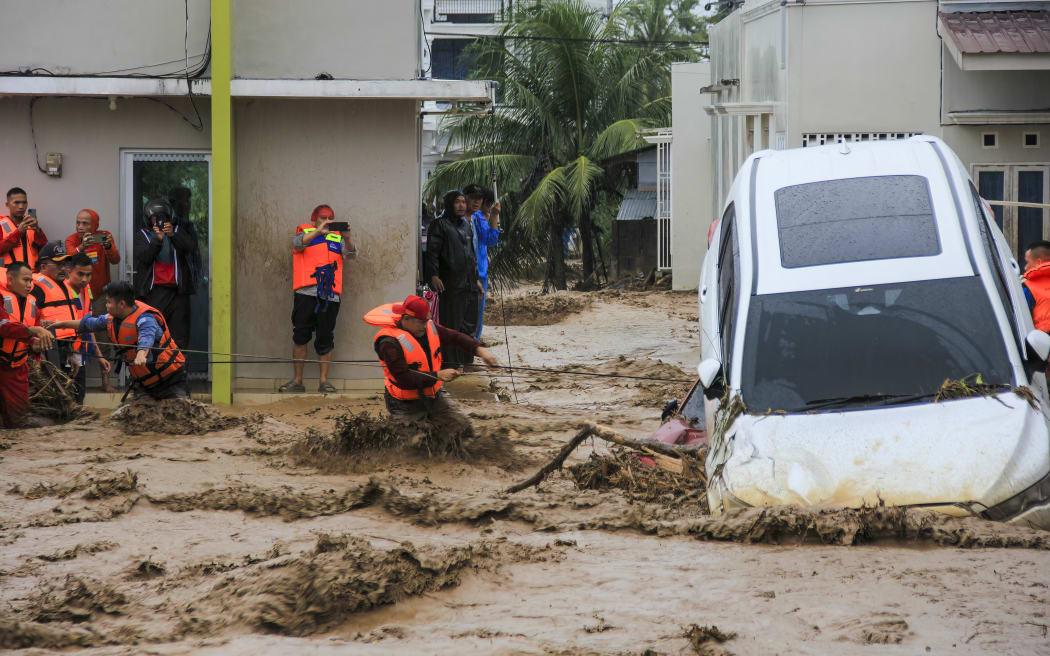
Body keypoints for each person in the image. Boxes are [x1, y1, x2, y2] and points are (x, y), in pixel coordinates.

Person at [364, 294, 498, 433]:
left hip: (434, 396)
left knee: (463, 428)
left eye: (427, 321)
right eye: (421, 322)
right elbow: (404, 378)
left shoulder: (428, 327)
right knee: (417, 442)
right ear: (406, 319)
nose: (425, 325)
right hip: (403, 403)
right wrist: (437, 375)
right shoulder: (389, 343)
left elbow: (454, 337)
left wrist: (481, 351)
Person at [48, 281, 188, 400]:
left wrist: (141, 354)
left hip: (171, 381)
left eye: (108, 302)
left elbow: (147, 337)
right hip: (146, 385)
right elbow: (86, 324)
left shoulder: (146, 319)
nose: (106, 305)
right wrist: (59, 324)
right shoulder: (110, 319)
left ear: (121, 304)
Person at [280, 204, 358, 394]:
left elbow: (351, 255)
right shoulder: (305, 233)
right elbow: (296, 245)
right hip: (305, 294)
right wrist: (317, 231)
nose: (327, 221)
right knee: (300, 335)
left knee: (325, 337)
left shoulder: (336, 238)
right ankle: (297, 381)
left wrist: (347, 239)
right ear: (314, 219)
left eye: (330, 218)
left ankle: (324, 381)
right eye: (322, 218)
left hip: (329, 296)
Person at [134, 198, 199, 352]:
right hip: (154, 293)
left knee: (180, 337)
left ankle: (179, 373)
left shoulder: (176, 232)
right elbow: (145, 257)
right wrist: (158, 240)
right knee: (154, 334)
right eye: (156, 218)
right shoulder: (142, 235)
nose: (160, 221)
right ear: (148, 219)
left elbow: (191, 247)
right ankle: (155, 373)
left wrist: (173, 235)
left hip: (178, 293)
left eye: (163, 217)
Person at [66, 210, 120, 391]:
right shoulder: (72, 240)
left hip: (100, 297)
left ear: (95, 225)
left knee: (104, 338)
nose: (80, 227)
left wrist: (108, 246)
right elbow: (68, 259)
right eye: (78, 223)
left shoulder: (104, 237)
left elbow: (115, 259)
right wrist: (82, 247)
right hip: (76, 295)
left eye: (85, 223)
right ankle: (73, 383)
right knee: (74, 337)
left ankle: (106, 381)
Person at [425, 190, 479, 366]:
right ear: (449, 204)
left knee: (469, 326)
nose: (462, 205)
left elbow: (471, 255)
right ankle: (451, 364)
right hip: (451, 283)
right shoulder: (439, 225)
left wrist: (476, 279)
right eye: (457, 202)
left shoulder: (466, 225)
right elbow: (432, 252)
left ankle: (467, 362)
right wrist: (433, 275)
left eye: (464, 201)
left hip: (469, 284)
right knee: (451, 326)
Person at [0, 262, 54, 427]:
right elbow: (3, 327)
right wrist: (33, 330)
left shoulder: (33, 306)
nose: (29, 285)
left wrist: (36, 345)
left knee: (19, 421)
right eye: (25, 280)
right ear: (10, 279)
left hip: (17, 369)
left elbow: (32, 337)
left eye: (31, 281)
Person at [31, 242, 82, 393]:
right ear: (44, 266)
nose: (63, 268)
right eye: (58, 263)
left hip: (63, 349)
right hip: (46, 350)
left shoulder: (65, 286)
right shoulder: (36, 287)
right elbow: (29, 321)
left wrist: (71, 353)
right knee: (50, 391)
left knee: (62, 389)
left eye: (64, 264)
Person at [62, 253, 110, 401]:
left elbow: (88, 325)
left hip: (79, 351)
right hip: (62, 353)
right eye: (80, 274)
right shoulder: (61, 291)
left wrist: (99, 356)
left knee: (79, 395)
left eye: (88, 275)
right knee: (65, 397)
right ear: (69, 271)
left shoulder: (86, 290)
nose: (84, 279)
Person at [464, 185, 501, 339]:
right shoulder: (478, 217)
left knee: (476, 312)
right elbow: (490, 238)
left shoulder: (475, 217)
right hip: (475, 272)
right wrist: (493, 217)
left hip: (480, 272)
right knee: (475, 313)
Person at [0, 187, 48, 270]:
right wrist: (18, 233)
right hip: (9, 275)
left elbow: (46, 250)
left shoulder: (32, 224)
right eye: (16, 203)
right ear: (7, 205)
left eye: (24, 202)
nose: (21, 206)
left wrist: (37, 231)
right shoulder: (1, 225)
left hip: (31, 274)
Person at [1022, 240, 1050, 328]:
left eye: (1027, 262)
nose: (1025, 267)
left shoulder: (1028, 287)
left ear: (1039, 263)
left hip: (1042, 337)